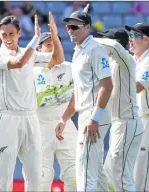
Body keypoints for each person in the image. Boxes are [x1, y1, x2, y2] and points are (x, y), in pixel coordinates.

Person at [0, 12, 63, 191]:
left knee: (35, 173)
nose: (7, 38)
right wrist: (36, 39)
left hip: (30, 117)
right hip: (8, 118)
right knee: (4, 173)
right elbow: (19, 63)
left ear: (19, 33)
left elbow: (58, 59)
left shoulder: (30, 53)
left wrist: (54, 35)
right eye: (4, 34)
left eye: (11, 34)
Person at [58, 11, 113, 191]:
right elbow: (79, 91)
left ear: (88, 27)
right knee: (95, 170)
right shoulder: (79, 51)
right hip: (86, 114)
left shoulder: (95, 50)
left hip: (93, 115)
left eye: (75, 27)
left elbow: (107, 85)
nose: (70, 31)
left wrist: (94, 119)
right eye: (68, 27)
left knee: (85, 171)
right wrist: (65, 118)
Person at [94, 28, 143, 191]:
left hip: (128, 122)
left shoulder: (124, 60)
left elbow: (113, 45)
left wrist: (85, 38)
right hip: (119, 124)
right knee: (110, 172)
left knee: (122, 175)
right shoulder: (111, 63)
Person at [33, 32, 77, 191]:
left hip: (65, 125)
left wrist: (64, 119)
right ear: (39, 48)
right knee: (42, 178)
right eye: (48, 44)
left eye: (55, 43)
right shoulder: (30, 71)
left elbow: (76, 97)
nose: (52, 48)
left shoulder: (70, 67)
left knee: (74, 174)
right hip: (40, 128)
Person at [125, 23, 149, 191]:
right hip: (132, 121)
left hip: (146, 121)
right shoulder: (132, 60)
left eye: (134, 36)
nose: (130, 40)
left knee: (142, 171)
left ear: (146, 39)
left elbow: (138, 86)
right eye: (129, 36)